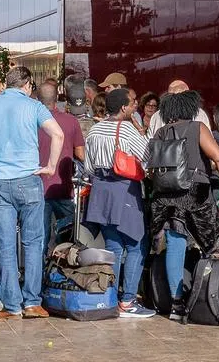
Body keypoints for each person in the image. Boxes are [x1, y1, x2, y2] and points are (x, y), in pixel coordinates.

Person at [0, 66, 64, 319]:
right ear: (27, 84)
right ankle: (32, 302)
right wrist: (50, 166)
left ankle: (11, 305)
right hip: (28, 180)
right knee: (33, 243)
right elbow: (58, 134)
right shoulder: (34, 106)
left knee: (5, 245)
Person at [150, 90, 219, 320]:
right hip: (195, 192)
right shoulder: (197, 128)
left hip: (165, 195)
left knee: (175, 244)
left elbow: (152, 169)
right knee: (212, 240)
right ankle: (211, 295)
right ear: (190, 109)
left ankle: (176, 303)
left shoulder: (160, 132)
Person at [83, 88, 155, 318]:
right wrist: (141, 131)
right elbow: (147, 155)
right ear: (123, 107)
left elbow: (88, 166)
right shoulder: (125, 129)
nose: (135, 106)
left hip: (100, 192)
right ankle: (128, 301)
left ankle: (111, 298)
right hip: (124, 191)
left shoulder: (94, 129)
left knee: (113, 247)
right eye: (133, 103)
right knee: (137, 244)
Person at [37, 81, 85, 252]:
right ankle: (61, 265)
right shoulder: (71, 121)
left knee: (40, 239)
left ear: (38, 99)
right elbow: (80, 153)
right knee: (67, 237)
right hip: (63, 187)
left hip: (38, 188)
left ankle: (39, 268)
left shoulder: (32, 122)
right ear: (57, 98)